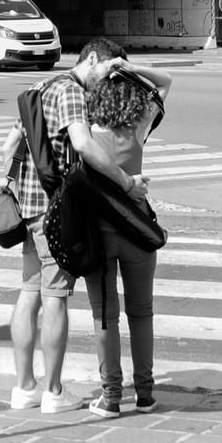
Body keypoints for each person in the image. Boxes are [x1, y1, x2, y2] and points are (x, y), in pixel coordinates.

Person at [5, 37, 126, 414]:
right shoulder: (72, 92)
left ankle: (24, 387)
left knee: (29, 294)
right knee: (55, 297)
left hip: (25, 206)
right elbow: (85, 146)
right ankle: (54, 392)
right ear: (92, 59)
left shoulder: (40, 88)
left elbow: (8, 147)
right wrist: (124, 180)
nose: (107, 80)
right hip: (53, 212)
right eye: (108, 70)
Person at [73, 59, 172, 417]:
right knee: (141, 313)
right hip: (137, 230)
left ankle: (112, 396)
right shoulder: (139, 127)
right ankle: (145, 394)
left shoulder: (84, 132)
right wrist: (126, 65)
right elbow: (166, 81)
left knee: (104, 316)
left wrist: (101, 71)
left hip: (96, 234)